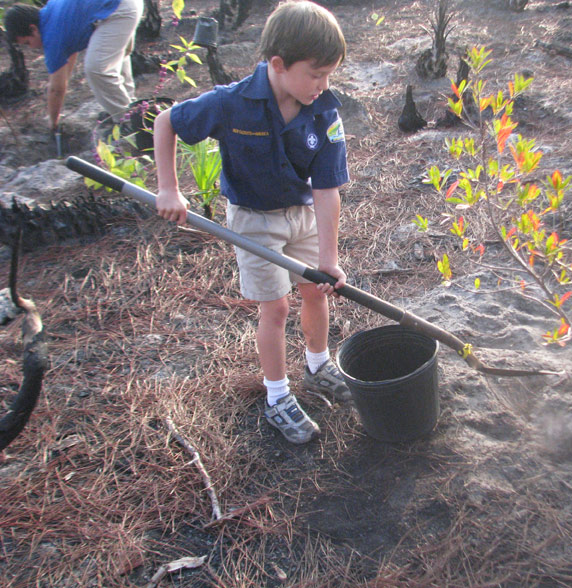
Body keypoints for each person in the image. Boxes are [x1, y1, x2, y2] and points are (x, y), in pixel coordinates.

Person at [153, 0, 350, 444]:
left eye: (328, 75)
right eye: (315, 74)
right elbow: (167, 122)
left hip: (300, 213)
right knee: (276, 307)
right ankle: (277, 396)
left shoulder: (324, 112)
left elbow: (326, 188)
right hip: (252, 218)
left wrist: (329, 259)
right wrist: (169, 188)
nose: (323, 85)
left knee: (316, 291)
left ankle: (318, 366)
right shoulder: (231, 103)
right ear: (278, 64)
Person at [3, 0, 143, 129]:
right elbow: (68, 58)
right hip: (123, 5)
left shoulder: (52, 36)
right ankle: (133, 108)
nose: (32, 48)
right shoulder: (52, 12)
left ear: (33, 29)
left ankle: (129, 123)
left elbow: (56, 90)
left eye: (28, 42)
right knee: (112, 58)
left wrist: (53, 122)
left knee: (97, 69)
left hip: (119, 11)